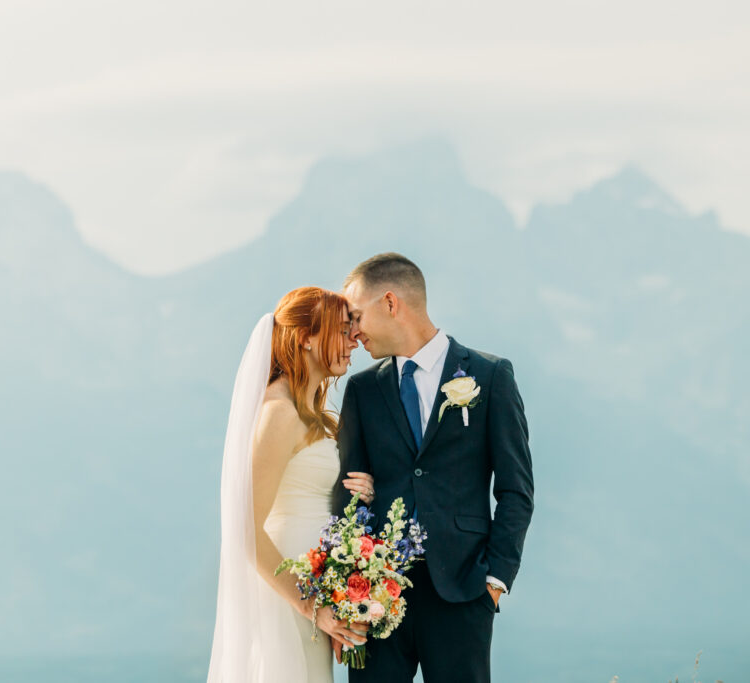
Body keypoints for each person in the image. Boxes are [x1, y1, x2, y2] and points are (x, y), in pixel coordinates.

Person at [333, 252, 535, 683]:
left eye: (355, 316)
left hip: (463, 592)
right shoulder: (362, 391)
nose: (352, 332)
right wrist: (347, 594)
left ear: (390, 303)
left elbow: (516, 488)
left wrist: (495, 581)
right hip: (376, 600)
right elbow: (347, 495)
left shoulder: (490, 375)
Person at [207, 286, 375, 682]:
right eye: (342, 329)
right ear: (306, 337)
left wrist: (358, 492)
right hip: (288, 597)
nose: (354, 340)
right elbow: (245, 529)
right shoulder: (279, 412)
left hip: (314, 590)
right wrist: (311, 605)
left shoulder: (309, 412)